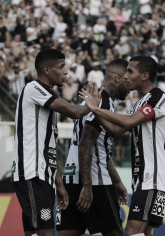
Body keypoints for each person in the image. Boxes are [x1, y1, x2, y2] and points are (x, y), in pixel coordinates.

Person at [79, 56, 165, 236]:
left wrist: (96, 109)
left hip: (154, 176)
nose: (126, 76)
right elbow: (116, 130)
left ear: (145, 75)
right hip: (146, 178)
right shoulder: (140, 103)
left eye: (131, 71)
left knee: (132, 231)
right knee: (145, 232)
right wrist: (96, 109)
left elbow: (129, 122)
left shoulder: (158, 97)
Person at [11, 49, 98, 236]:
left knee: (33, 232)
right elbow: (73, 112)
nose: (66, 71)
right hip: (32, 173)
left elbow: (49, 149)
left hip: (42, 175)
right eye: (61, 67)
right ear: (47, 70)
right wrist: (91, 105)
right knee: (46, 233)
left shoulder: (46, 99)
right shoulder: (34, 88)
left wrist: (58, 183)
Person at [57, 59, 130, 236]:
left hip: (72, 179)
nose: (130, 87)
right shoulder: (102, 102)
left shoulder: (91, 101)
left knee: (68, 232)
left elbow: (100, 148)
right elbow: (86, 143)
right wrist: (88, 186)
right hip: (94, 181)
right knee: (115, 232)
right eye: (127, 81)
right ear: (118, 78)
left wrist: (118, 182)